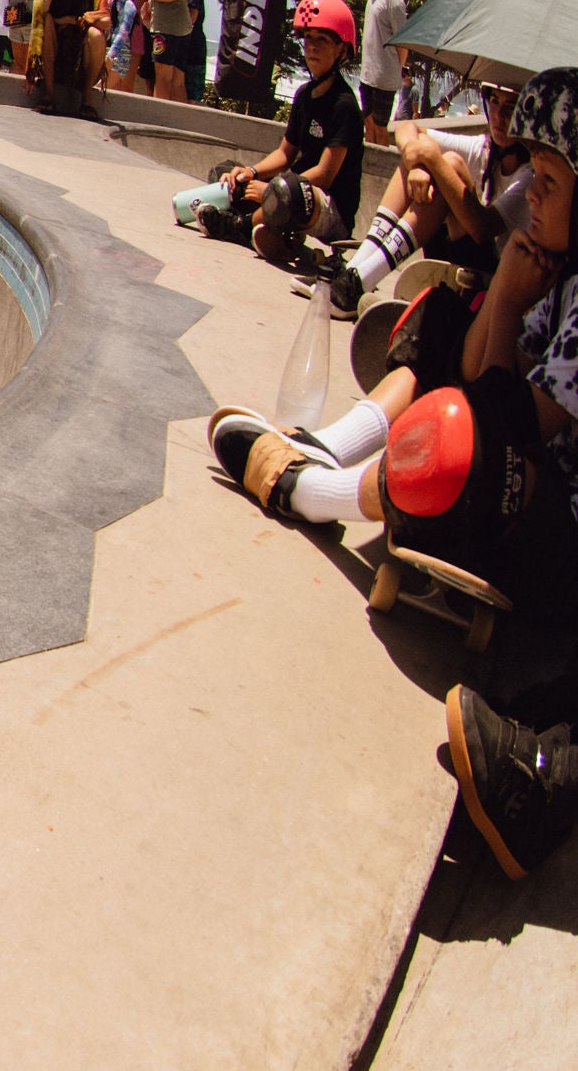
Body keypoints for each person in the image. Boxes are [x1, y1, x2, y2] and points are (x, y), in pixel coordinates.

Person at [209, 73, 578, 856]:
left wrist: (507, 309)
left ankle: (310, 490)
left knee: (474, 447)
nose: (530, 196)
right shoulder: (560, 272)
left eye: (547, 183)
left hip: (554, 535)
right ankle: (328, 456)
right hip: (532, 487)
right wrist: (503, 303)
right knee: (452, 314)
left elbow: (511, 420)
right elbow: (483, 378)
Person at [305, 82, 531, 315]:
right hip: (466, 263)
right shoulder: (484, 148)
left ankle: (358, 281)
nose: (499, 115)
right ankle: (354, 273)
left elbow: (482, 228)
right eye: (494, 101)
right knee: (422, 159)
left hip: (494, 283)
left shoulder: (530, 176)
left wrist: (433, 160)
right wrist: (417, 163)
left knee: (449, 164)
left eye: (511, 106)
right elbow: (407, 128)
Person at [198, 0, 364, 263]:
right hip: (292, 188)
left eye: (322, 40)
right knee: (228, 173)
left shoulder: (344, 105)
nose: (312, 47)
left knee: (289, 194)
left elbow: (325, 174)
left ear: (342, 49)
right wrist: (250, 173)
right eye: (308, 39)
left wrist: (273, 189)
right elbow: (285, 154)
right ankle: (274, 231)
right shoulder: (303, 95)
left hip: (328, 209)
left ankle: (237, 226)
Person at [28, 0, 106, 118]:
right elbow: (42, 8)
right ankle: (49, 94)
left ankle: (87, 99)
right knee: (46, 21)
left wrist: (82, 20)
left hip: (79, 58)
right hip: (54, 56)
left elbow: (107, 20)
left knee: (96, 35)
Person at [359, 0, 408, 143]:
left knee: (381, 129)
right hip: (367, 75)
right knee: (368, 125)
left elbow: (402, 41)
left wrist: (398, 68)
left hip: (384, 78)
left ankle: (382, 172)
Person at [103, 0, 140, 91]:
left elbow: (124, 31)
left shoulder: (128, 5)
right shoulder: (117, 1)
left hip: (120, 52)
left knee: (105, 87)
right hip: (115, 50)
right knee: (109, 89)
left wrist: (111, 54)